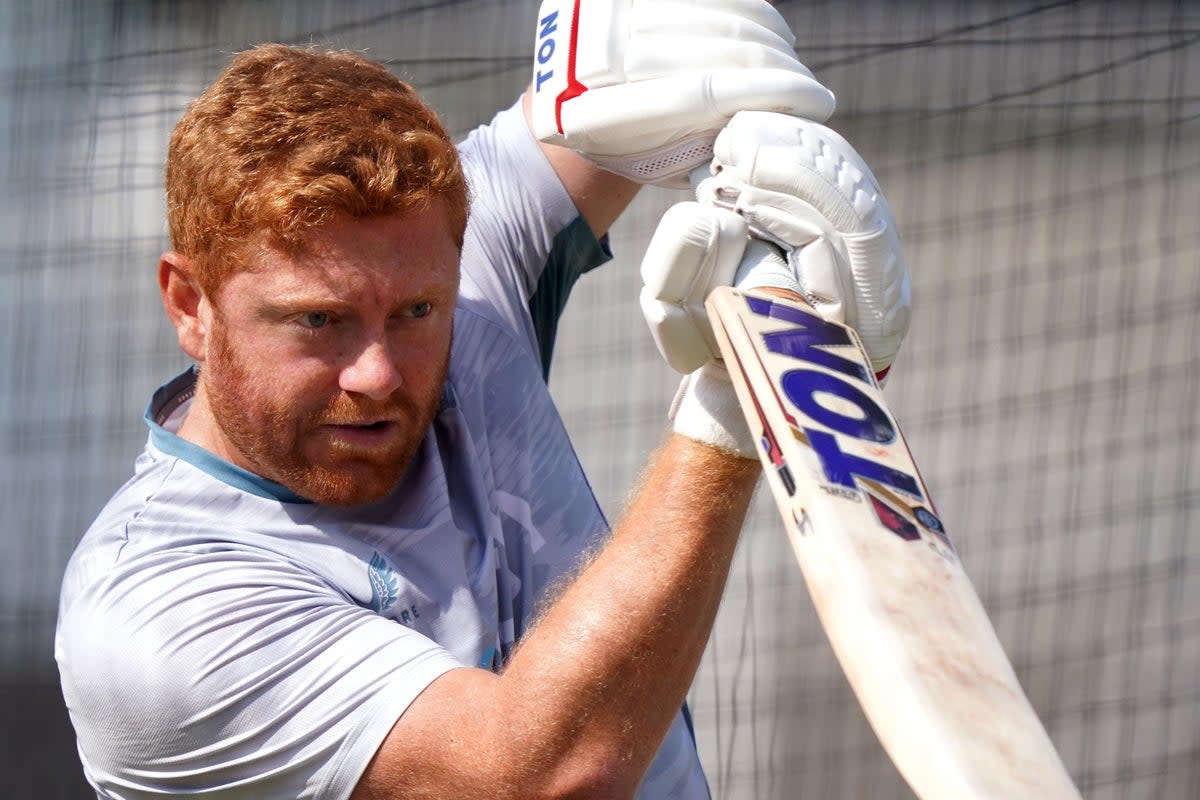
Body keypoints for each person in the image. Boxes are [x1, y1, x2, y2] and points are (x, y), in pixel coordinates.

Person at [55, 2, 911, 798]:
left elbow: (622, 85)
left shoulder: (467, 273)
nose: (378, 374)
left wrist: (738, 103)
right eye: (318, 320)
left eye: (417, 312)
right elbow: (538, 774)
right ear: (188, 305)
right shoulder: (152, 618)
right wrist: (740, 398)